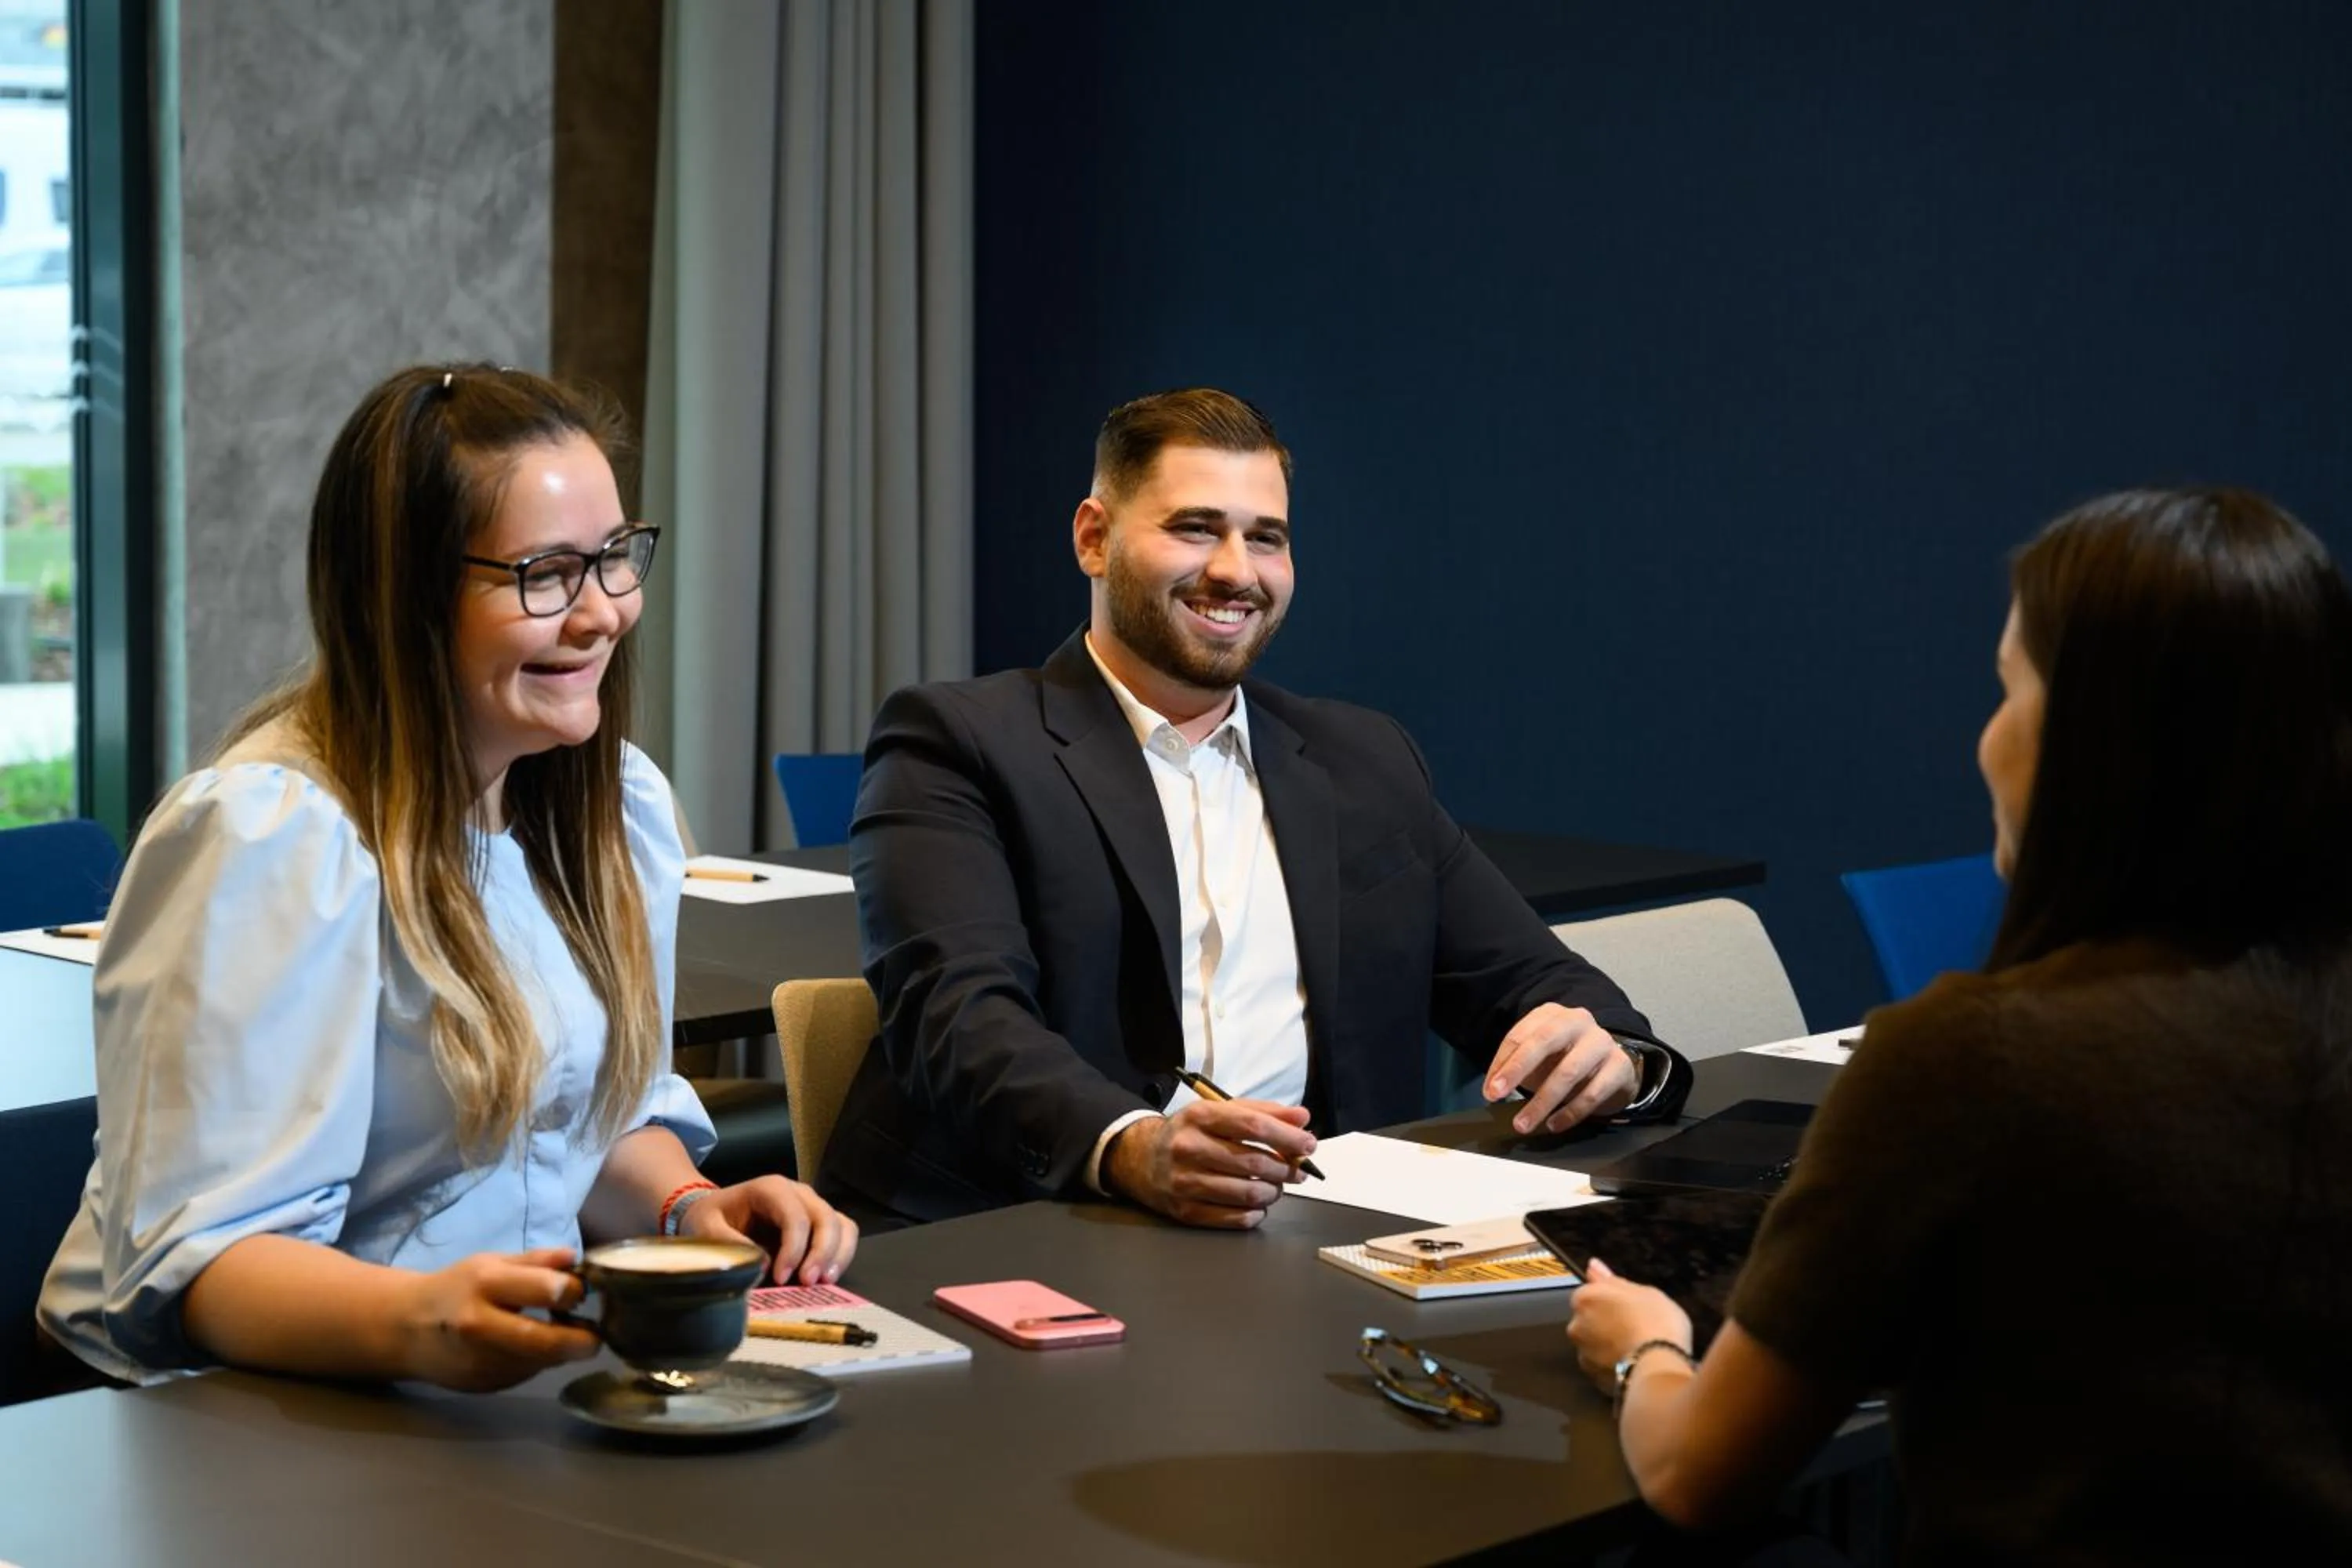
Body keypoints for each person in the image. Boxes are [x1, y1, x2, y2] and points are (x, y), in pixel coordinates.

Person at [1566, 488, 2352, 1563]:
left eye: (2008, 689)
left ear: (2093, 743)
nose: (1986, 741)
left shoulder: (1972, 1062)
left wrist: (1645, 1349)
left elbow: (1701, 1472)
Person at [38, 363, 856, 1393]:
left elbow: (583, 1123)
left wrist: (689, 1208)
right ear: (405, 600)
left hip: (482, 1393)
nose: (603, 613)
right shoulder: (272, 838)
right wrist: (415, 1321)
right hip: (243, 1418)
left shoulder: (609, 809)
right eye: (546, 573)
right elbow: (196, 1268)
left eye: (614, 559)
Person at [824, 387, 1690, 1229]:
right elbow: (958, 1019)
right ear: (1094, 538)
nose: (1236, 570)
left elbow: (1534, 980)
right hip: (1030, 1222)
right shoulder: (957, 739)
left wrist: (1608, 1052)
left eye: (1265, 537)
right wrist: (1133, 1144)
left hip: (1303, 1233)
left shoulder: (1364, 756)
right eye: (1194, 527)